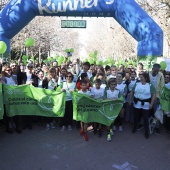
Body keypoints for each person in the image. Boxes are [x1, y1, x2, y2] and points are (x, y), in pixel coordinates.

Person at [129, 72, 156, 139]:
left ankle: (146, 132)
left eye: (142, 77)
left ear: (146, 78)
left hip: (146, 104)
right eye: (140, 77)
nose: (140, 78)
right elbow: (132, 91)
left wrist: (151, 104)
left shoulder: (150, 85)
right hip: (137, 103)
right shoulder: (137, 83)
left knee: (146, 118)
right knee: (136, 117)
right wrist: (130, 100)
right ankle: (135, 127)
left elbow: (154, 94)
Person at [1, 65, 18, 133]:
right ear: (4, 71)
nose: (9, 71)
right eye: (7, 70)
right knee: (7, 113)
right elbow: (4, 88)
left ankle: (16, 126)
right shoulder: (2, 78)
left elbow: (17, 85)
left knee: (15, 112)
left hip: (14, 98)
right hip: (6, 99)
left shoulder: (14, 77)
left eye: (10, 70)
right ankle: (8, 128)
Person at [149, 63, 164, 134]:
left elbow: (162, 87)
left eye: (157, 71)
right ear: (152, 69)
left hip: (157, 96)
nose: (156, 73)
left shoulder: (161, 75)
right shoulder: (148, 74)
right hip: (148, 95)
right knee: (147, 111)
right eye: (155, 71)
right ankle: (147, 125)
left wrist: (159, 99)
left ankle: (157, 127)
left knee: (156, 112)